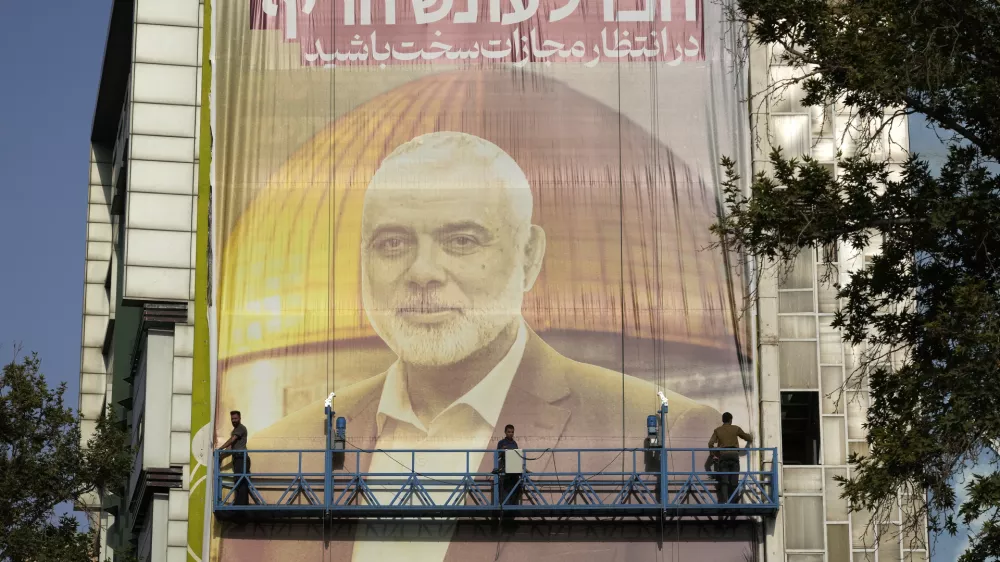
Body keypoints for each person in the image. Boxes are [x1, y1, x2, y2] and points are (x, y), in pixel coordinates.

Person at [233, 132, 722, 561]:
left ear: (529, 256)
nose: (423, 272)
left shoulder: (661, 435)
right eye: (392, 243)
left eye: (462, 241)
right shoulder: (270, 459)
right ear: (362, 260)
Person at [707, 412, 753, 505]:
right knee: (734, 480)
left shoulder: (718, 430)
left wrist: (713, 454)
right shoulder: (735, 428)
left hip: (723, 456)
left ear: (722, 420)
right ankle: (734, 501)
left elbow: (710, 443)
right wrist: (750, 437)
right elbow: (747, 437)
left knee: (724, 481)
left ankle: (724, 501)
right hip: (734, 455)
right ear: (731, 420)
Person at [218, 410, 251, 506]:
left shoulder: (240, 428)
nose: (234, 420)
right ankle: (240, 503)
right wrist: (221, 456)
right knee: (238, 480)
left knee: (241, 481)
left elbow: (232, 440)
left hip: (242, 459)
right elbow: (230, 447)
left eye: (236, 418)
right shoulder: (235, 431)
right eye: (232, 419)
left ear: (240, 418)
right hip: (238, 459)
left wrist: (220, 449)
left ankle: (241, 504)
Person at [496, 424, 521, 505]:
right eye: (509, 432)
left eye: (512, 432)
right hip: (505, 472)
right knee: (504, 493)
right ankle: (504, 511)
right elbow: (497, 456)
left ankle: (513, 510)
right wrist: (502, 450)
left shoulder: (515, 443)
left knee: (514, 493)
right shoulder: (501, 443)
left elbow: (517, 456)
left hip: (514, 471)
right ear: (505, 432)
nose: (511, 434)